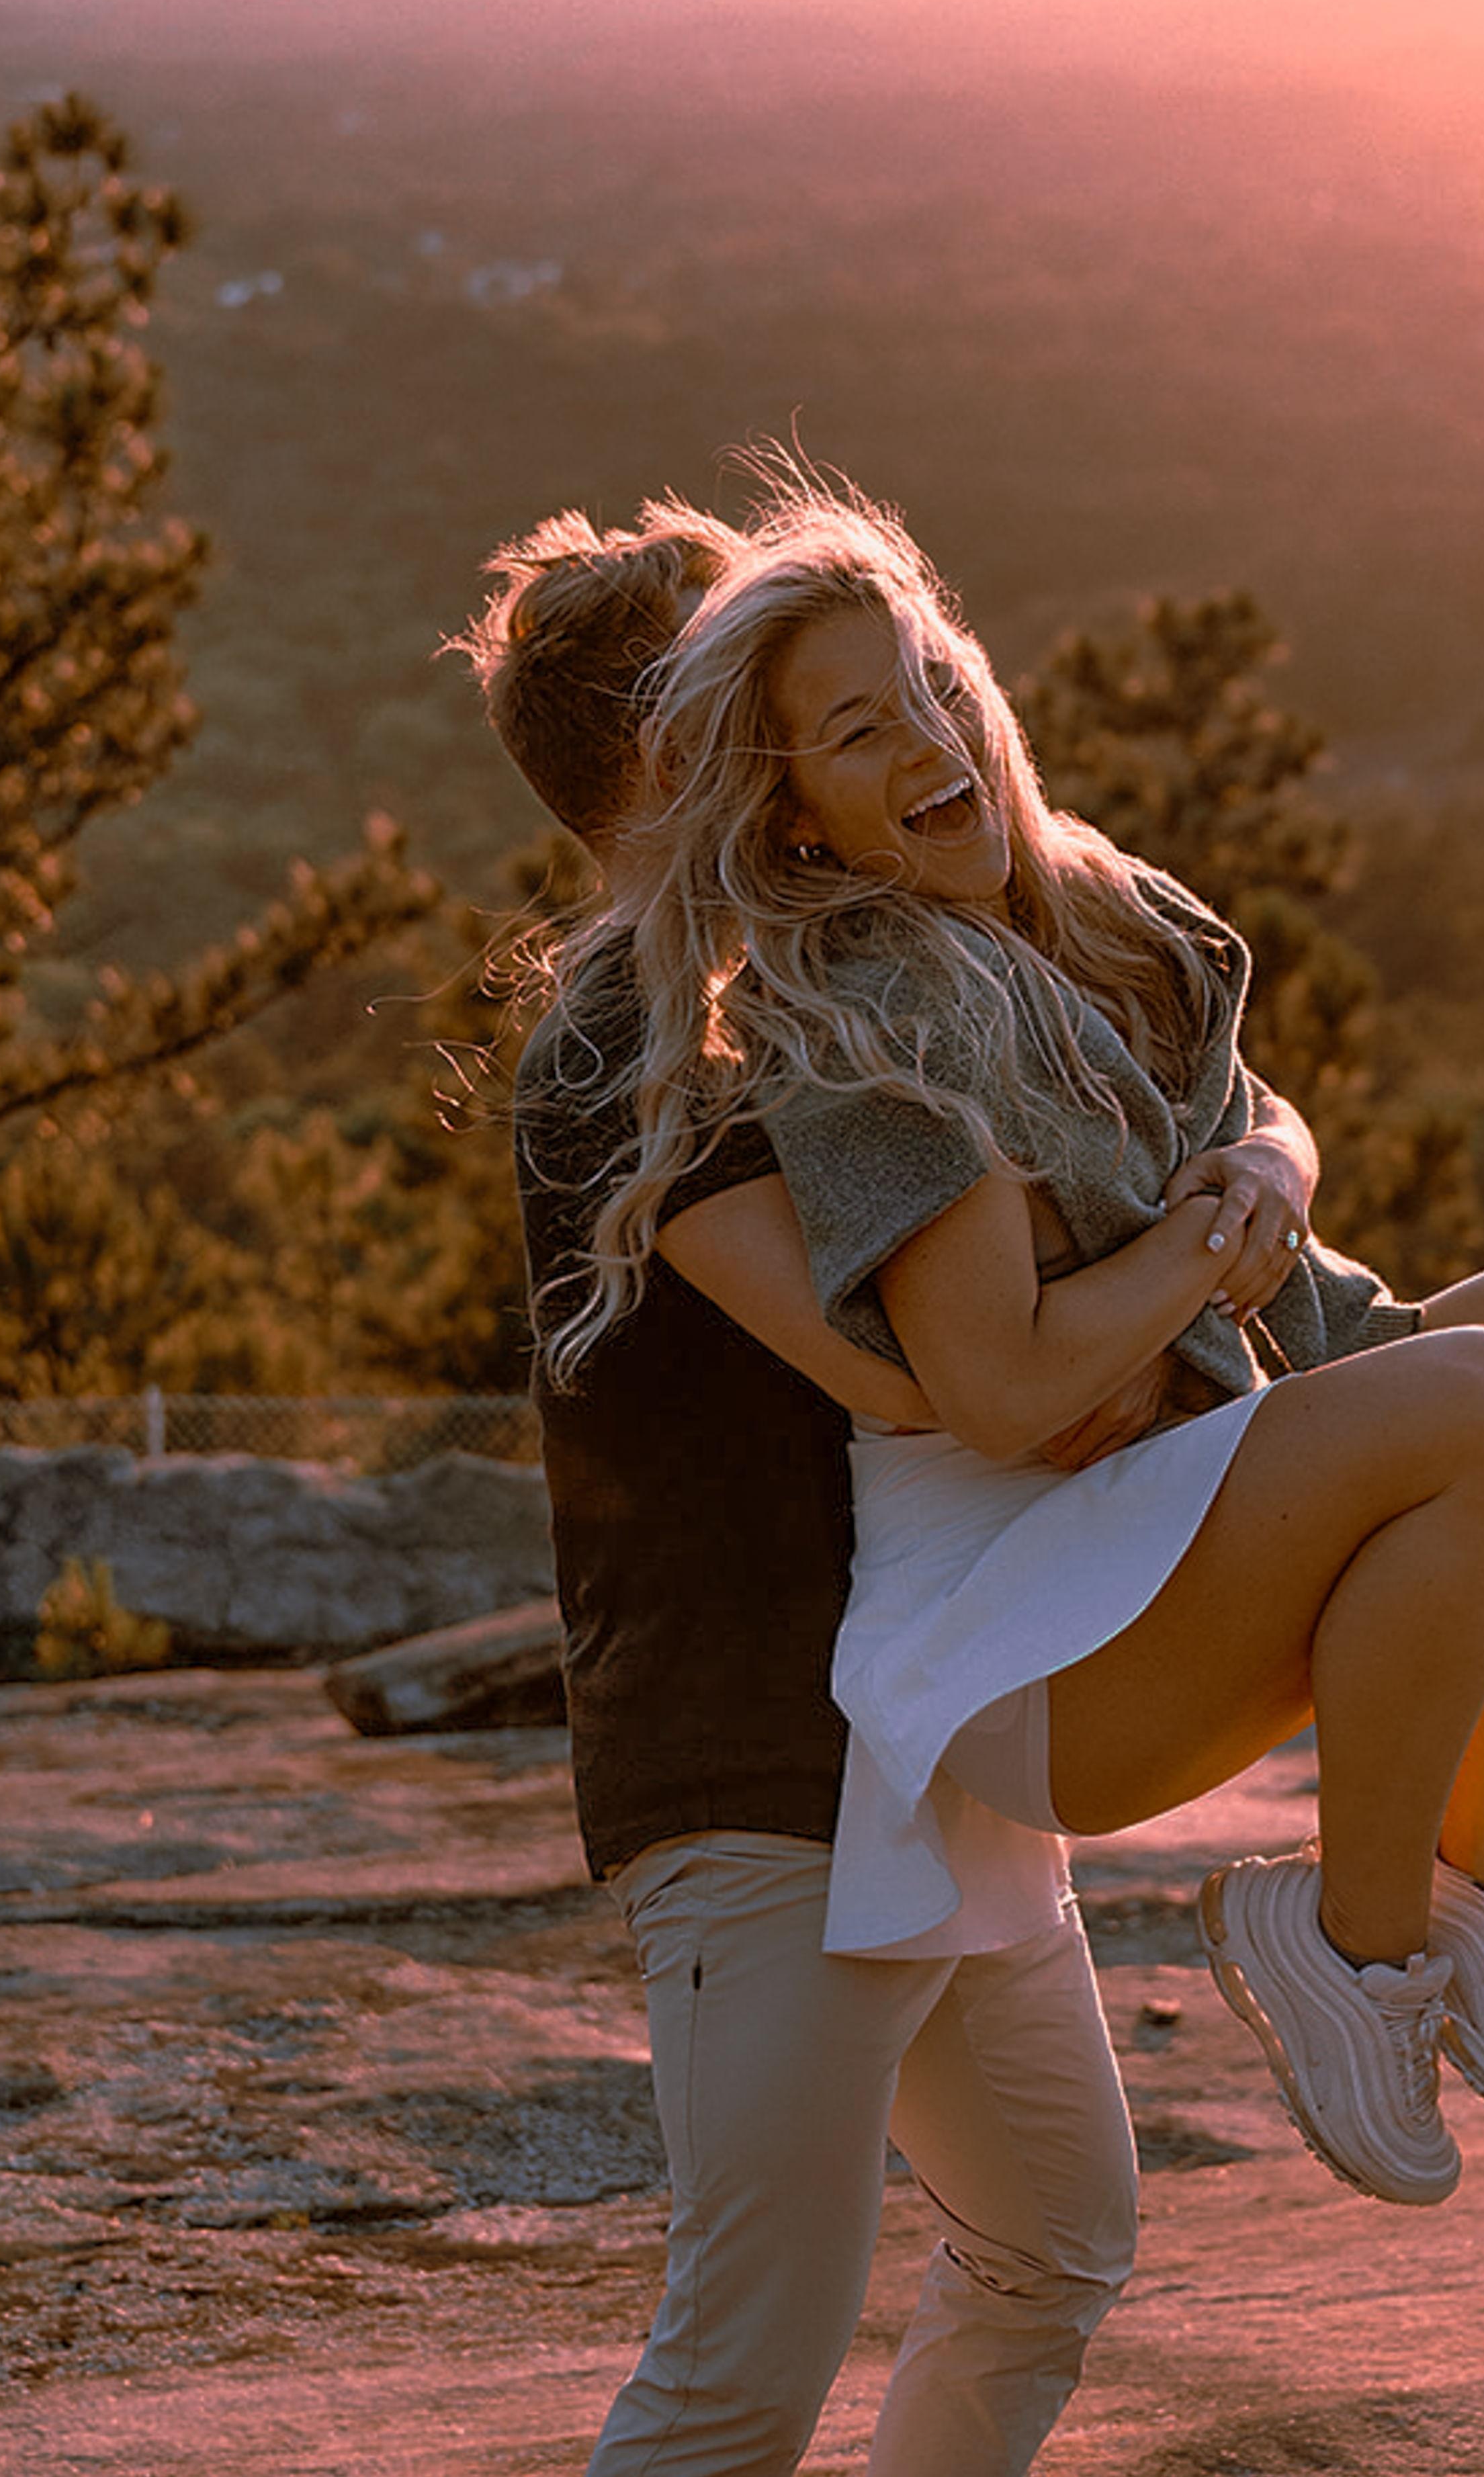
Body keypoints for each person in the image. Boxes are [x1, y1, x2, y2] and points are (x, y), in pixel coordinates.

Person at [543, 474, 1484, 2214]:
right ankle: (1359, 1950)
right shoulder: (883, 997)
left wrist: (1266, 1166)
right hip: (1022, 1628)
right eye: (858, 734)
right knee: (1475, 1393)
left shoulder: (1082, 906)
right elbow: (1008, 1390)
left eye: (931, 684)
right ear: (798, 822)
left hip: (1155, 1500)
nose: (928, 740)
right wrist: (1202, 1245)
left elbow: (1252, 1114)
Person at [461, 503, 1151, 2477]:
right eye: (775, 686)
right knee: (742, 2369)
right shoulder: (626, 1031)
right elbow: (931, 1385)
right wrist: (1163, 1293)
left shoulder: (814, 982)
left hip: (921, 1719)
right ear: (692, 741)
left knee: (1052, 2236)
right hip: (758, 1766)